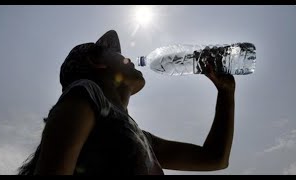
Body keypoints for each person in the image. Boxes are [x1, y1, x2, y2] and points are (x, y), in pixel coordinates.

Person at [18, 30, 235, 175]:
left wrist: (226, 92)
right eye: (117, 54)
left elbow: (215, 158)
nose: (129, 59)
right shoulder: (85, 94)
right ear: (96, 61)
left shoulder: (140, 137)